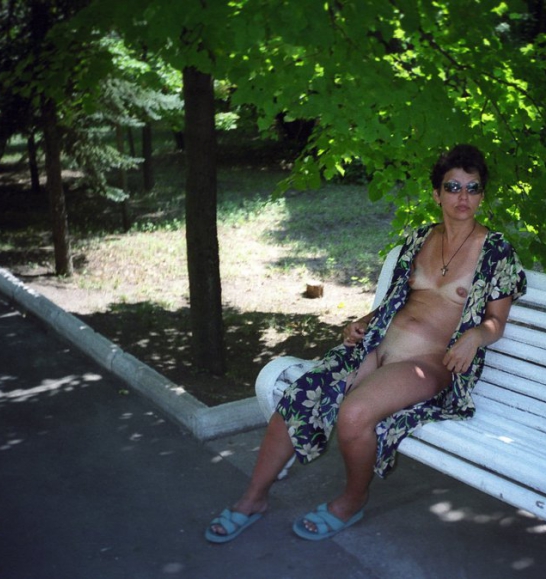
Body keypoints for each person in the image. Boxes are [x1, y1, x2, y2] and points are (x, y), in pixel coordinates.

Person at [205, 144, 527, 543]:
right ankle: (253, 498)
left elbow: (496, 321)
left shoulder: (496, 251)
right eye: (453, 187)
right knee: (301, 393)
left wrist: (477, 335)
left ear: (482, 195)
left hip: (430, 362)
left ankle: (353, 499)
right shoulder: (420, 239)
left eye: (473, 188)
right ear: (437, 194)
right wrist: (364, 321)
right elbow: (396, 301)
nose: (463, 197)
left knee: (354, 414)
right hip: (378, 345)